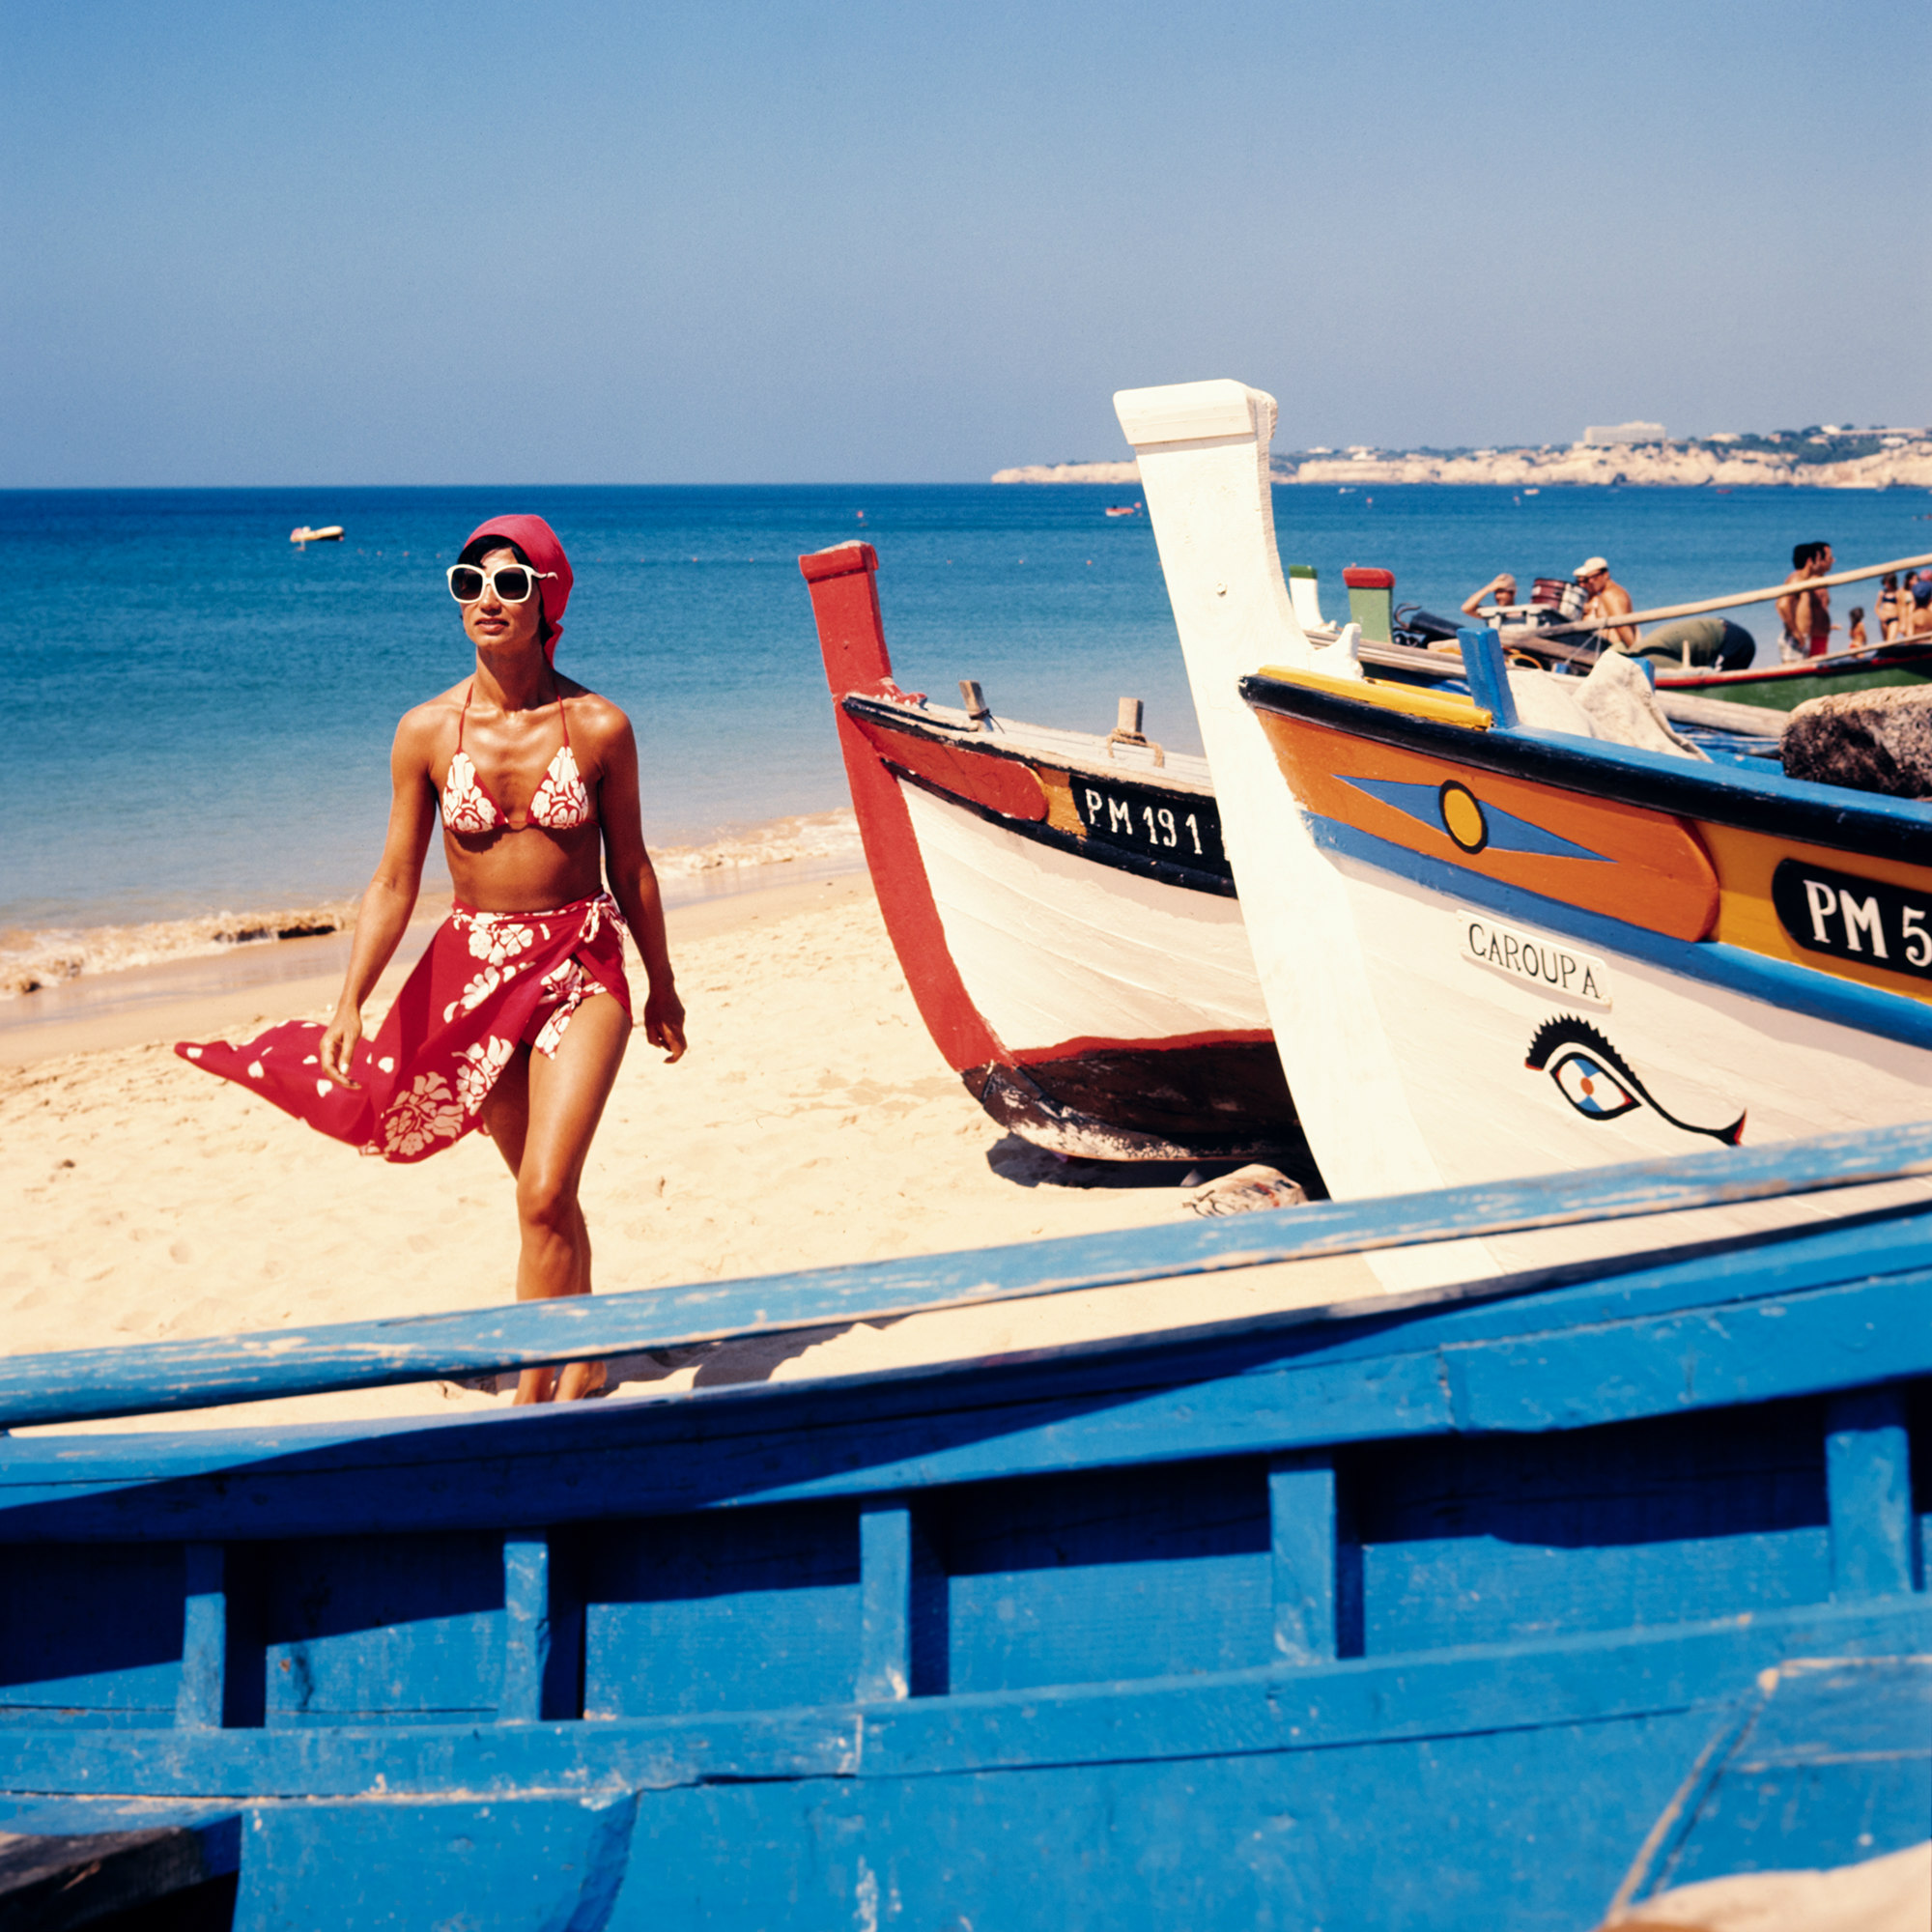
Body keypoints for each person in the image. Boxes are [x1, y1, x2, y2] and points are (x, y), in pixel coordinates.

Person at [178, 515, 687, 1405]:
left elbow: (632, 865)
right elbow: (391, 881)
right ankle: (590, 1353)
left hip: (579, 962)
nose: (488, 600)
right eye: (470, 584)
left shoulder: (600, 726)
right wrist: (350, 1001)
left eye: (511, 584)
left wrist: (662, 986)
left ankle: (535, 1401)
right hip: (474, 975)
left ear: (547, 600)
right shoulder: (423, 731)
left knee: (542, 1190)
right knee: (545, 1195)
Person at [1776, 541, 1833, 659]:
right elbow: (1782, 605)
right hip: (1796, 638)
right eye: (1817, 559)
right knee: (1794, 674)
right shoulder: (1797, 579)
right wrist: (1795, 631)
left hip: (1803, 638)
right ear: (1810, 561)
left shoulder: (1803, 580)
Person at [1575, 556, 1636, 650]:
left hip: (1617, 649)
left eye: (1594, 577)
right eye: (1588, 578)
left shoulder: (1610, 594)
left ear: (1606, 575)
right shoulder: (1607, 594)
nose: (1591, 581)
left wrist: (1635, 651)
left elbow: (1622, 626)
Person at [1875, 574, 1902, 641]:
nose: (1886, 585)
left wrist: (1901, 622)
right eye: (1885, 583)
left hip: (1894, 620)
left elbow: (1901, 609)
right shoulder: (1882, 593)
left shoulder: (1898, 592)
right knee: (1885, 642)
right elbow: (1876, 607)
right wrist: (1881, 616)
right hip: (1883, 620)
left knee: (1891, 641)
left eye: (1888, 583)